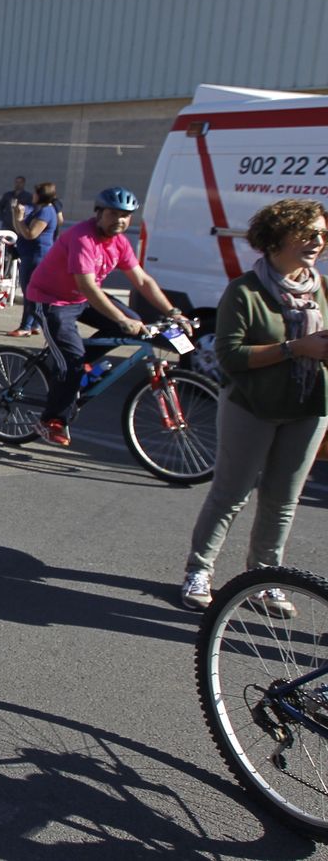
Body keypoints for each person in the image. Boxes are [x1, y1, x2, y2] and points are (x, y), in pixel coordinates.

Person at [180, 199, 328, 617]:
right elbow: (230, 357)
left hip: (309, 405)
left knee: (283, 499)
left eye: (322, 233)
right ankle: (199, 571)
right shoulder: (245, 290)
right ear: (277, 238)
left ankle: (265, 580)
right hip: (251, 405)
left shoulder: (321, 287)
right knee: (231, 494)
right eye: (307, 232)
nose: (318, 241)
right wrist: (296, 348)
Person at [25, 186, 189, 446]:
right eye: (113, 214)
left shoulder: (120, 242)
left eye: (125, 215)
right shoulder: (82, 238)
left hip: (84, 298)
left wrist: (173, 312)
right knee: (75, 359)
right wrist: (121, 320)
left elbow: (143, 281)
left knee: (131, 322)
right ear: (99, 213)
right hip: (52, 299)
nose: (120, 220)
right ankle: (51, 420)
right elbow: (88, 286)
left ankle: (75, 369)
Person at [8, 181, 60, 336]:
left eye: (36, 193)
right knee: (34, 291)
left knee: (30, 291)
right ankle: (35, 324)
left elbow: (31, 234)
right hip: (31, 255)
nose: (33, 196)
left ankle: (26, 326)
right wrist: (16, 216)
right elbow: (20, 230)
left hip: (36, 256)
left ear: (42, 195)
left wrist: (20, 219)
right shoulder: (42, 210)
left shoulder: (46, 212)